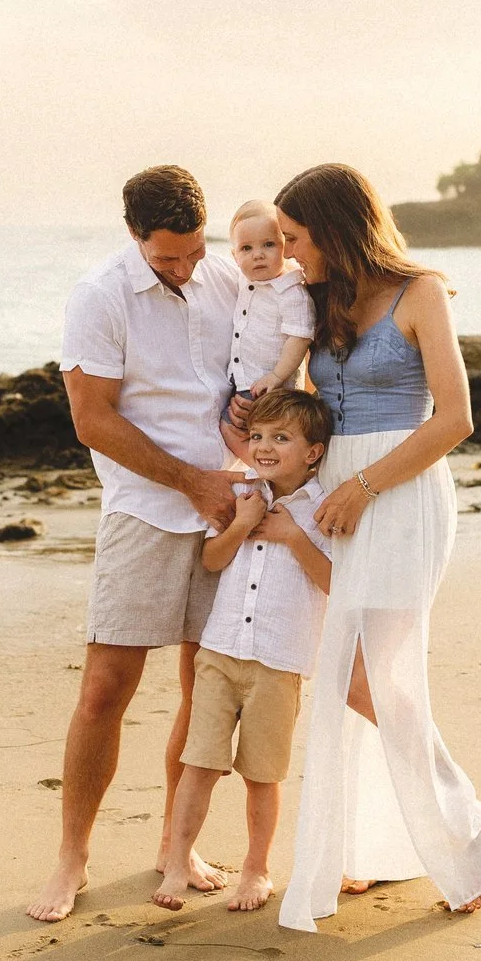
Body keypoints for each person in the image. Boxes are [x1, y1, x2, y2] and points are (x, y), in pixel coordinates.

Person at [270, 162, 481, 933]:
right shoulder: (317, 298)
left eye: (297, 237)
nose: (290, 252)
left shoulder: (420, 293)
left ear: (335, 228)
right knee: (343, 672)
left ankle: (462, 838)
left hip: (397, 494)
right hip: (333, 495)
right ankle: (365, 842)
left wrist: (363, 485)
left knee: (383, 677)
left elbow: (456, 417)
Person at [27, 165, 244, 924]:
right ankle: (73, 856)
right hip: (145, 512)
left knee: (205, 688)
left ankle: (175, 844)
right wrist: (190, 480)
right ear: (133, 237)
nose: (185, 268)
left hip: (229, 511)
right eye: (167, 258)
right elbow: (93, 419)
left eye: (193, 251)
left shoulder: (225, 279)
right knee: (104, 691)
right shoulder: (98, 296)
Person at [154, 389, 334, 914]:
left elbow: (334, 583)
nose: (265, 447)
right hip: (220, 651)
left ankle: (256, 870)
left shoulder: (322, 507)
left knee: (262, 773)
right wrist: (240, 523)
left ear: (313, 452)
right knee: (199, 765)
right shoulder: (242, 497)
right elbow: (211, 561)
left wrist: (294, 537)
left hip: (279, 662)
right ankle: (177, 862)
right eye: (257, 436)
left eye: (282, 437)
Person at [218, 200, 315, 461]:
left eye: (269, 245)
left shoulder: (291, 291)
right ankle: (267, 472)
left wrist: (275, 376)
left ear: (285, 247)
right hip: (243, 380)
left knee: (238, 428)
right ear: (234, 256)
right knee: (249, 431)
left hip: (271, 385)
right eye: (246, 248)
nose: (258, 254)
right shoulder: (245, 281)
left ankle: (268, 472)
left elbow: (300, 337)